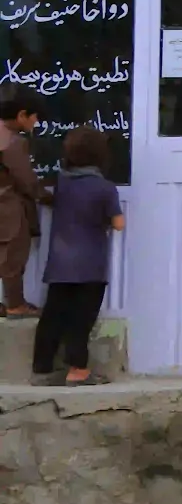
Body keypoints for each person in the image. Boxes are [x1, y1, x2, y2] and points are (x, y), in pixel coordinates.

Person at [34, 126, 123, 386]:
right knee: (80, 320)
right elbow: (118, 223)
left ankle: (42, 367)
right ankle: (77, 370)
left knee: (53, 315)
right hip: (90, 265)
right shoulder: (105, 188)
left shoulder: (61, 184)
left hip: (60, 263)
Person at [0, 92, 48, 318]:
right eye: (34, 117)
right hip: (10, 208)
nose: (35, 123)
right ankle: (15, 305)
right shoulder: (13, 142)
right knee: (14, 258)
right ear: (22, 115)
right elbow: (26, 180)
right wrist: (48, 197)